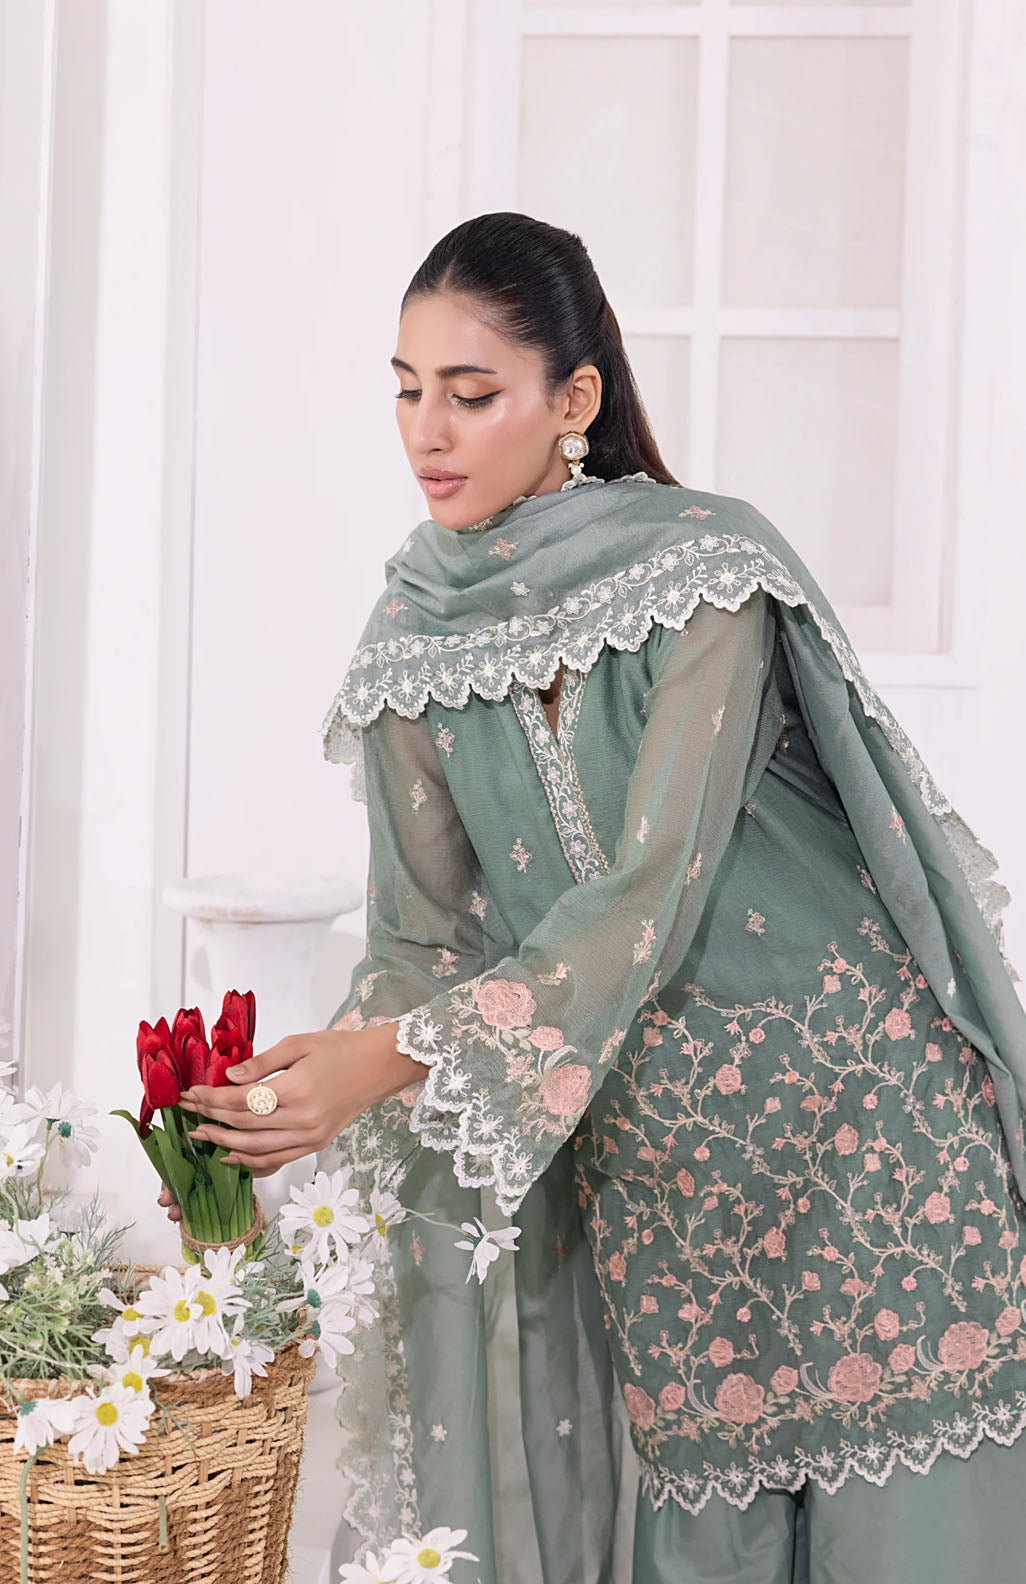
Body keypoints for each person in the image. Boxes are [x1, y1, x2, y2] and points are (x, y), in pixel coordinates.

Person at [163, 213, 1026, 1583]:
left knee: (916, 1539)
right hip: (664, 1169)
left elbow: (649, 893)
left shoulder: (704, 573)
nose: (427, 433)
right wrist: (293, 1103)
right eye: (406, 390)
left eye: (471, 393)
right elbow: (419, 941)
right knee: (706, 1537)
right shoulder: (415, 634)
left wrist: (387, 1061)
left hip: (867, 1124)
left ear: (573, 401)